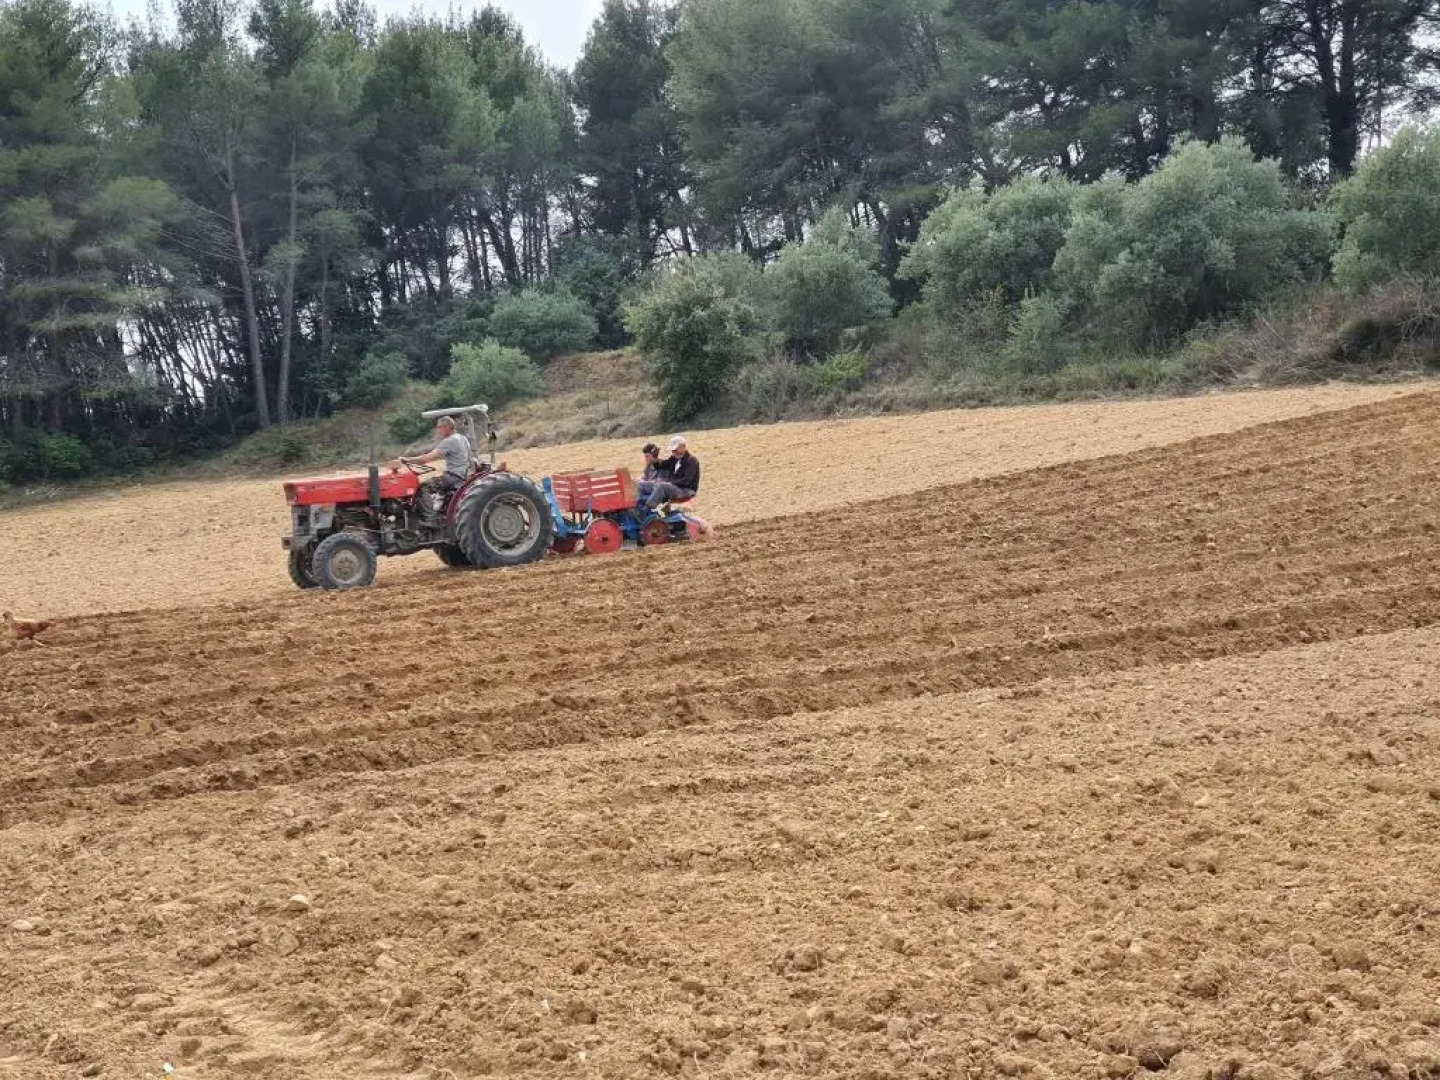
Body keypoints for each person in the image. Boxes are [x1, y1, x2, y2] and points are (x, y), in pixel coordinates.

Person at [400, 416, 473, 521]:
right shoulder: (462, 438)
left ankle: (430, 518)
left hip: (453, 477)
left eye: (439, 427)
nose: (438, 430)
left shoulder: (450, 441)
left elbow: (425, 459)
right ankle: (436, 509)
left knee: (422, 487)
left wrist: (406, 459)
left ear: (447, 427)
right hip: (462, 475)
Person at [643, 435, 700, 514]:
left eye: (675, 449)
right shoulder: (674, 459)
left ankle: (646, 510)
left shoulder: (691, 460)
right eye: (672, 450)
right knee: (642, 485)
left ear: (683, 446)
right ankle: (635, 508)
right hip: (675, 488)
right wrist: (654, 460)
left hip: (686, 490)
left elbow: (687, 481)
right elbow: (662, 465)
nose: (673, 452)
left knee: (662, 485)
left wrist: (670, 483)